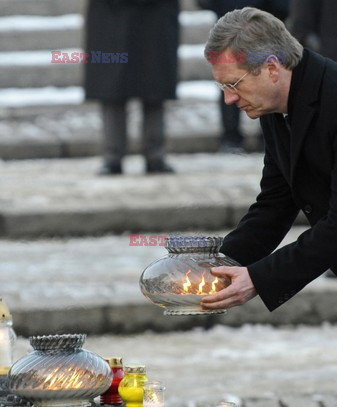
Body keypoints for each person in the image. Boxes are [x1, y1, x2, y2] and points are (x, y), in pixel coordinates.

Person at [199, 7, 337, 313]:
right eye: (222, 88)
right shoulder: (276, 104)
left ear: (272, 68)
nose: (229, 100)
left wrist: (258, 279)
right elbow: (276, 203)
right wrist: (217, 267)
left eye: (233, 85)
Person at [84, 0, 179, 175]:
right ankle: (113, 155)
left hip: (155, 14)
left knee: (155, 86)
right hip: (111, 14)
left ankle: (154, 154)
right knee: (113, 88)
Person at [198, 1, 290, 153]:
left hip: (240, 27)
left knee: (237, 82)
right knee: (256, 81)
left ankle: (233, 137)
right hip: (254, 29)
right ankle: (261, 137)